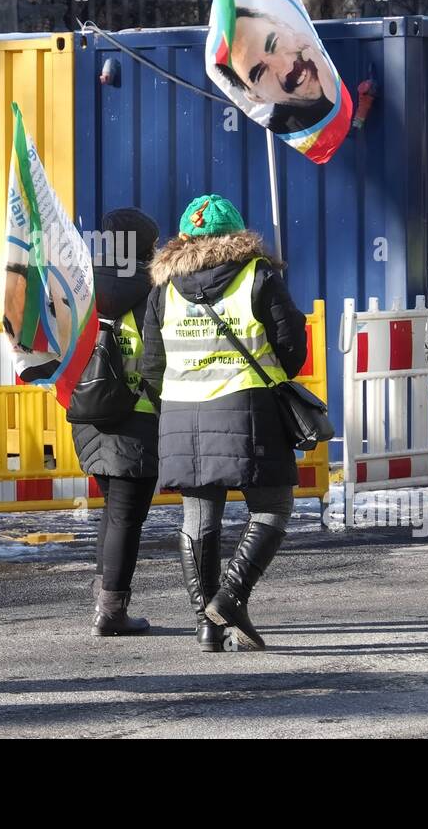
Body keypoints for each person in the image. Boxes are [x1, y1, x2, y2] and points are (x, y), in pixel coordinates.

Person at [140, 195, 306, 652]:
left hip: (179, 412)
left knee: (199, 516)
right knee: (273, 508)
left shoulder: (164, 287)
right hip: (248, 408)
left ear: (184, 239)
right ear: (237, 235)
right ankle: (231, 597)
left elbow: (150, 364)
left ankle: (207, 625)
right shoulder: (258, 275)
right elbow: (292, 349)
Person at [72, 208, 161, 637]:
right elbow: (157, 357)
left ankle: (105, 602)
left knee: (112, 510)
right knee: (126, 515)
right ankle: (111, 612)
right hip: (137, 416)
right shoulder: (154, 291)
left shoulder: (80, 286)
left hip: (87, 414)